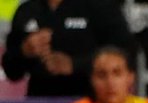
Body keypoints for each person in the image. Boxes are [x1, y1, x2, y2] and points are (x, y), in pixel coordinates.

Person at [2, 0, 134, 97]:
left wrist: (74, 64)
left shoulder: (100, 6)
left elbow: (126, 53)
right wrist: (24, 51)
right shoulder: (27, 10)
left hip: (90, 102)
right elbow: (11, 71)